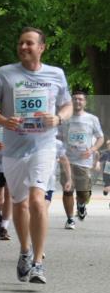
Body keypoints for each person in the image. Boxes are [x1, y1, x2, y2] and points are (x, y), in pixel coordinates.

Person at [0, 27, 71, 284]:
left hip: (44, 145)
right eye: (20, 43)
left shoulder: (56, 74)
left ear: (41, 47)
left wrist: (58, 118)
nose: (23, 47)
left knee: (37, 200)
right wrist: (3, 120)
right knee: (19, 203)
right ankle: (24, 251)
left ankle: (39, 262)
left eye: (29, 43)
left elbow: (65, 105)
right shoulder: (5, 74)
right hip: (13, 149)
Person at [60, 89, 104, 227]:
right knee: (67, 190)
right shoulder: (65, 118)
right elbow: (58, 137)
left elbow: (100, 138)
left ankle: (81, 204)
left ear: (85, 102)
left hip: (84, 162)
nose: (77, 101)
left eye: (80, 99)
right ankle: (70, 219)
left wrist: (92, 150)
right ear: (71, 101)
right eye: (75, 99)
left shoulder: (92, 119)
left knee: (83, 194)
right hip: (67, 160)